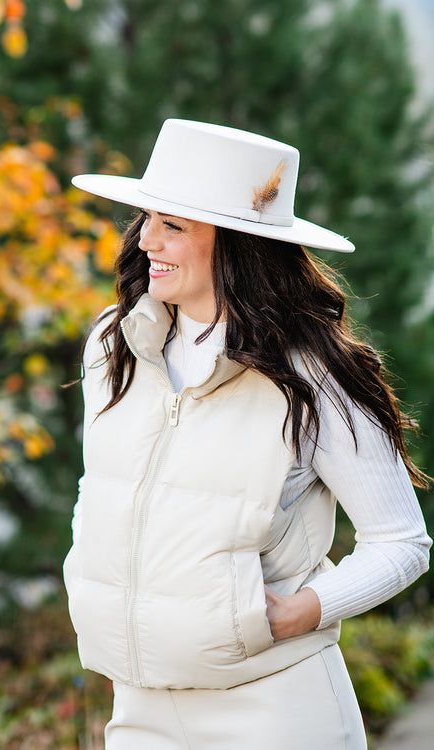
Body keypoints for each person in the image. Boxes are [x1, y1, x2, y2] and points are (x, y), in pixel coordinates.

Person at [63, 119, 432, 750]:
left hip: (275, 711)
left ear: (237, 243)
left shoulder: (311, 375)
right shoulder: (113, 346)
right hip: (138, 711)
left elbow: (402, 542)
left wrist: (299, 612)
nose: (146, 238)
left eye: (173, 224)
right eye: (146, 217)